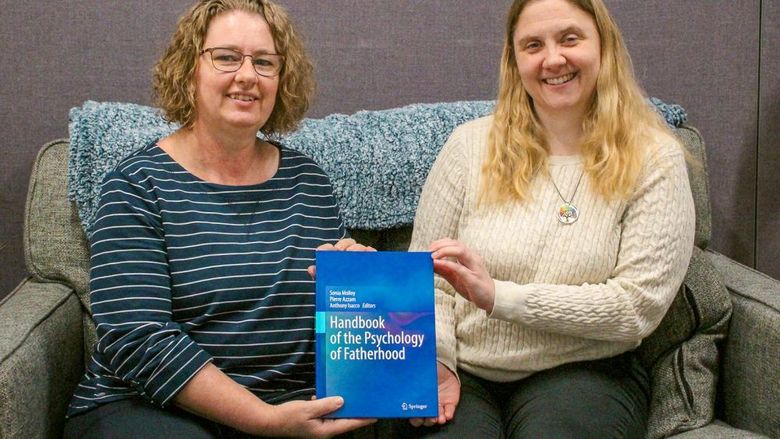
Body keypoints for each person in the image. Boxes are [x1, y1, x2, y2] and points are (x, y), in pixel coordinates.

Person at [63, 1, 375, 438]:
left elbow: (336, 322)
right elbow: (138, 341)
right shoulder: (136, 186)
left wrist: (360, 281)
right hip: (152, 406)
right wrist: (263, 421)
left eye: (264, 62)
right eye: (226, 57)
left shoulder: (308, 181)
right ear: (188, 70)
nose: (247, 75)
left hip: (291, 405)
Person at [401, 0, 696, 438]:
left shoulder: (655, 158)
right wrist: (438, 364)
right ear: (514, 60)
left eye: (570, 39)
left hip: (586, 371)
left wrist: (499, 297)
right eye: (533, 45)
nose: (553, 59)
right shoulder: (468, 147)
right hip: (465, 369)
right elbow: (428, 279)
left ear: (604, 46)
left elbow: (635, 308)